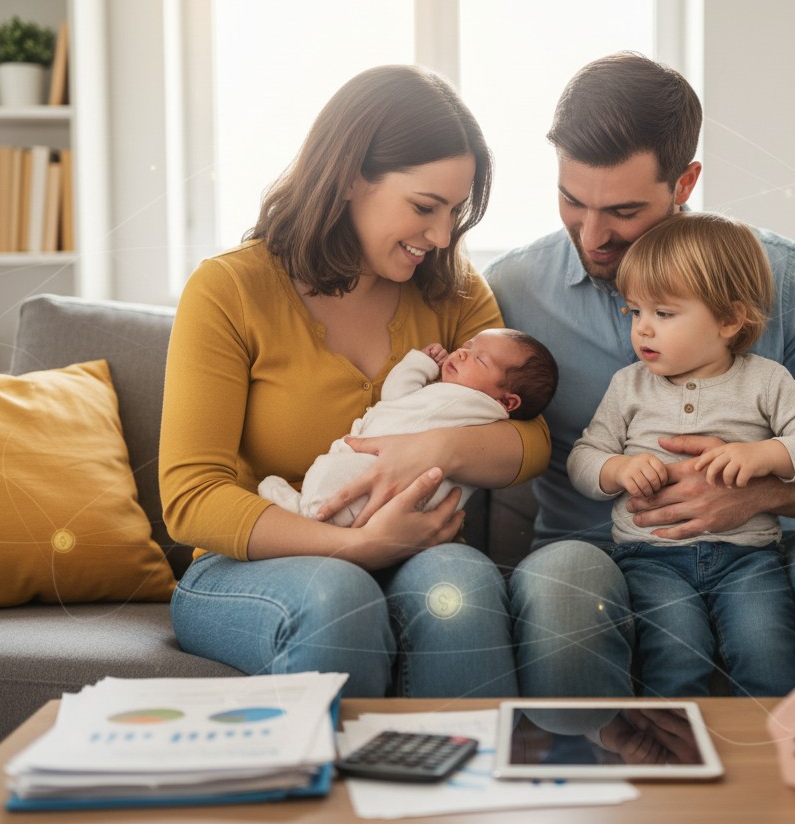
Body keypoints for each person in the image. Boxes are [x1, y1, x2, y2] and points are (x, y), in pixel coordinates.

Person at [484, 51, 795, 698]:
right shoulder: (512, 292)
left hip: (763, 549)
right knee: (562, 591)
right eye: (571, 201)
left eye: (625, 211)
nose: (593, 234)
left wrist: (764, 490)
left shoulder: (782, 277)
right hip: (598, 549)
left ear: (684, 183)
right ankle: (600, 792)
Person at [160, 64, 551, 699]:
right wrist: (358, 547)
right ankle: (325, 794)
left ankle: (462, 796)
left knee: (466, 590)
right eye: (425, 207)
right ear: (347, 178)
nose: (443, 234)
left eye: (455, 210)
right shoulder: (229, 290)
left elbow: (529, 441)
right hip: (249, 567)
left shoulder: (452, 290)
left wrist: (434, 450)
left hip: (413, 553)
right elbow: (190, 497)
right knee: (337, 595)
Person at [567, 212, 795, 697]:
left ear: (728, 319)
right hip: (649, 558)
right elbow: (583, 458)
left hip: (748, 559)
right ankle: (680, 757)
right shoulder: (628, 386)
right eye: (636, 312)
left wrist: (766, 456)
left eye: (664, 313)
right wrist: (618, 468)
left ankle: (769, 759)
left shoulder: (765, 381)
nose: (644, 331)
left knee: (765, 650)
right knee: (677, 652)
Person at [258, 328, 558, 524]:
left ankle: (306, 512)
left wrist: (422, 363)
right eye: (467, 346)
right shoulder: (484, 416)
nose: (462, 353)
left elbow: (396, 394)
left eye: (478, 359)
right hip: (417, 512)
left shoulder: (455, 400)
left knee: (329, 472)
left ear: (508, 403)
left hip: (367, 477)